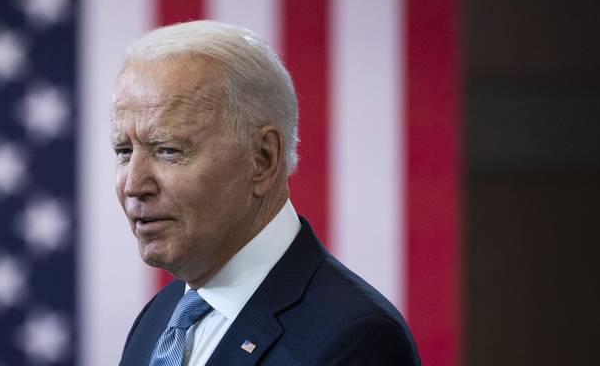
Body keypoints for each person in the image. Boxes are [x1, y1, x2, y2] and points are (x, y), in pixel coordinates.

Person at [113, 20, 420, 365]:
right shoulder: (159, 318)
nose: (134, 184)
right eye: (124, 151)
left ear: (262, 159)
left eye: (168, 149)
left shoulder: (356, 340)